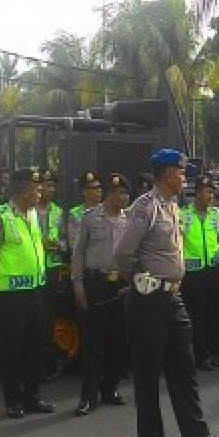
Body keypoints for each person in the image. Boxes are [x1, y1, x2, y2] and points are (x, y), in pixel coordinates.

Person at [113, 149, 219, 437]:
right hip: (149, 300)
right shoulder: (146, 208)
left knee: (184, 367)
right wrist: (139, 279)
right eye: (181, 172)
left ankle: (197, 435)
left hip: (174, 297)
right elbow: (123, 253)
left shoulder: (172, 206)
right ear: (167, 175)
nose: (185, 177)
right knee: (148, 373)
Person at [0, 169, 56, 419]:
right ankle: (13, 400)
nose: (40, 192)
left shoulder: (33, 214)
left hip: (34, 290)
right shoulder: (0, 218)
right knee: (12, 348)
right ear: (24, 190)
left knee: (34, 346)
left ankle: (32, 395)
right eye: (36, 189)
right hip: (9, 295)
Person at [70, 173, 131, 416]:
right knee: (93, 343)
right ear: (108, 194)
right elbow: (78, 254)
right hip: (96, 284)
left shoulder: (130, 219)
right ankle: (88, 396)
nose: (123, 197)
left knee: (119, 341)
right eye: (119, 193)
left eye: (126, 193)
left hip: (122, 286)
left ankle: (110, 388)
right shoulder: (90, 218)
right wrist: (78, 287)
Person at [180, 174, 219, 369]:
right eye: (208, 192)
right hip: (193, 274)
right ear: (197, 193)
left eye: (212, 192)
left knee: (212, 313)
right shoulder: (184, 214)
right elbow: (178, 243)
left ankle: (210, 352)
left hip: (212, 271)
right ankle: (200, 356)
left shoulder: (216, 214)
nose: (211, 196)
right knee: (195, 316)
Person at [35, 171, 66, 370]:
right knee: (34, 315)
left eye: (53, 186)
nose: (50, 190)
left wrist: (59, 246)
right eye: (46, 186)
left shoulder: (58, 212)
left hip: (52, 268)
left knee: (48, 315)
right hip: (33, 268)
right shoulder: (29, 211)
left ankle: (46, 359)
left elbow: (65, 239)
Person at [65, 171, 104, 256]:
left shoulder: (106, 211)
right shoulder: (75, 214)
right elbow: (73, 244)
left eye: (99, 187)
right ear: (84, 192)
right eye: (94, 188)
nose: (99, 190)